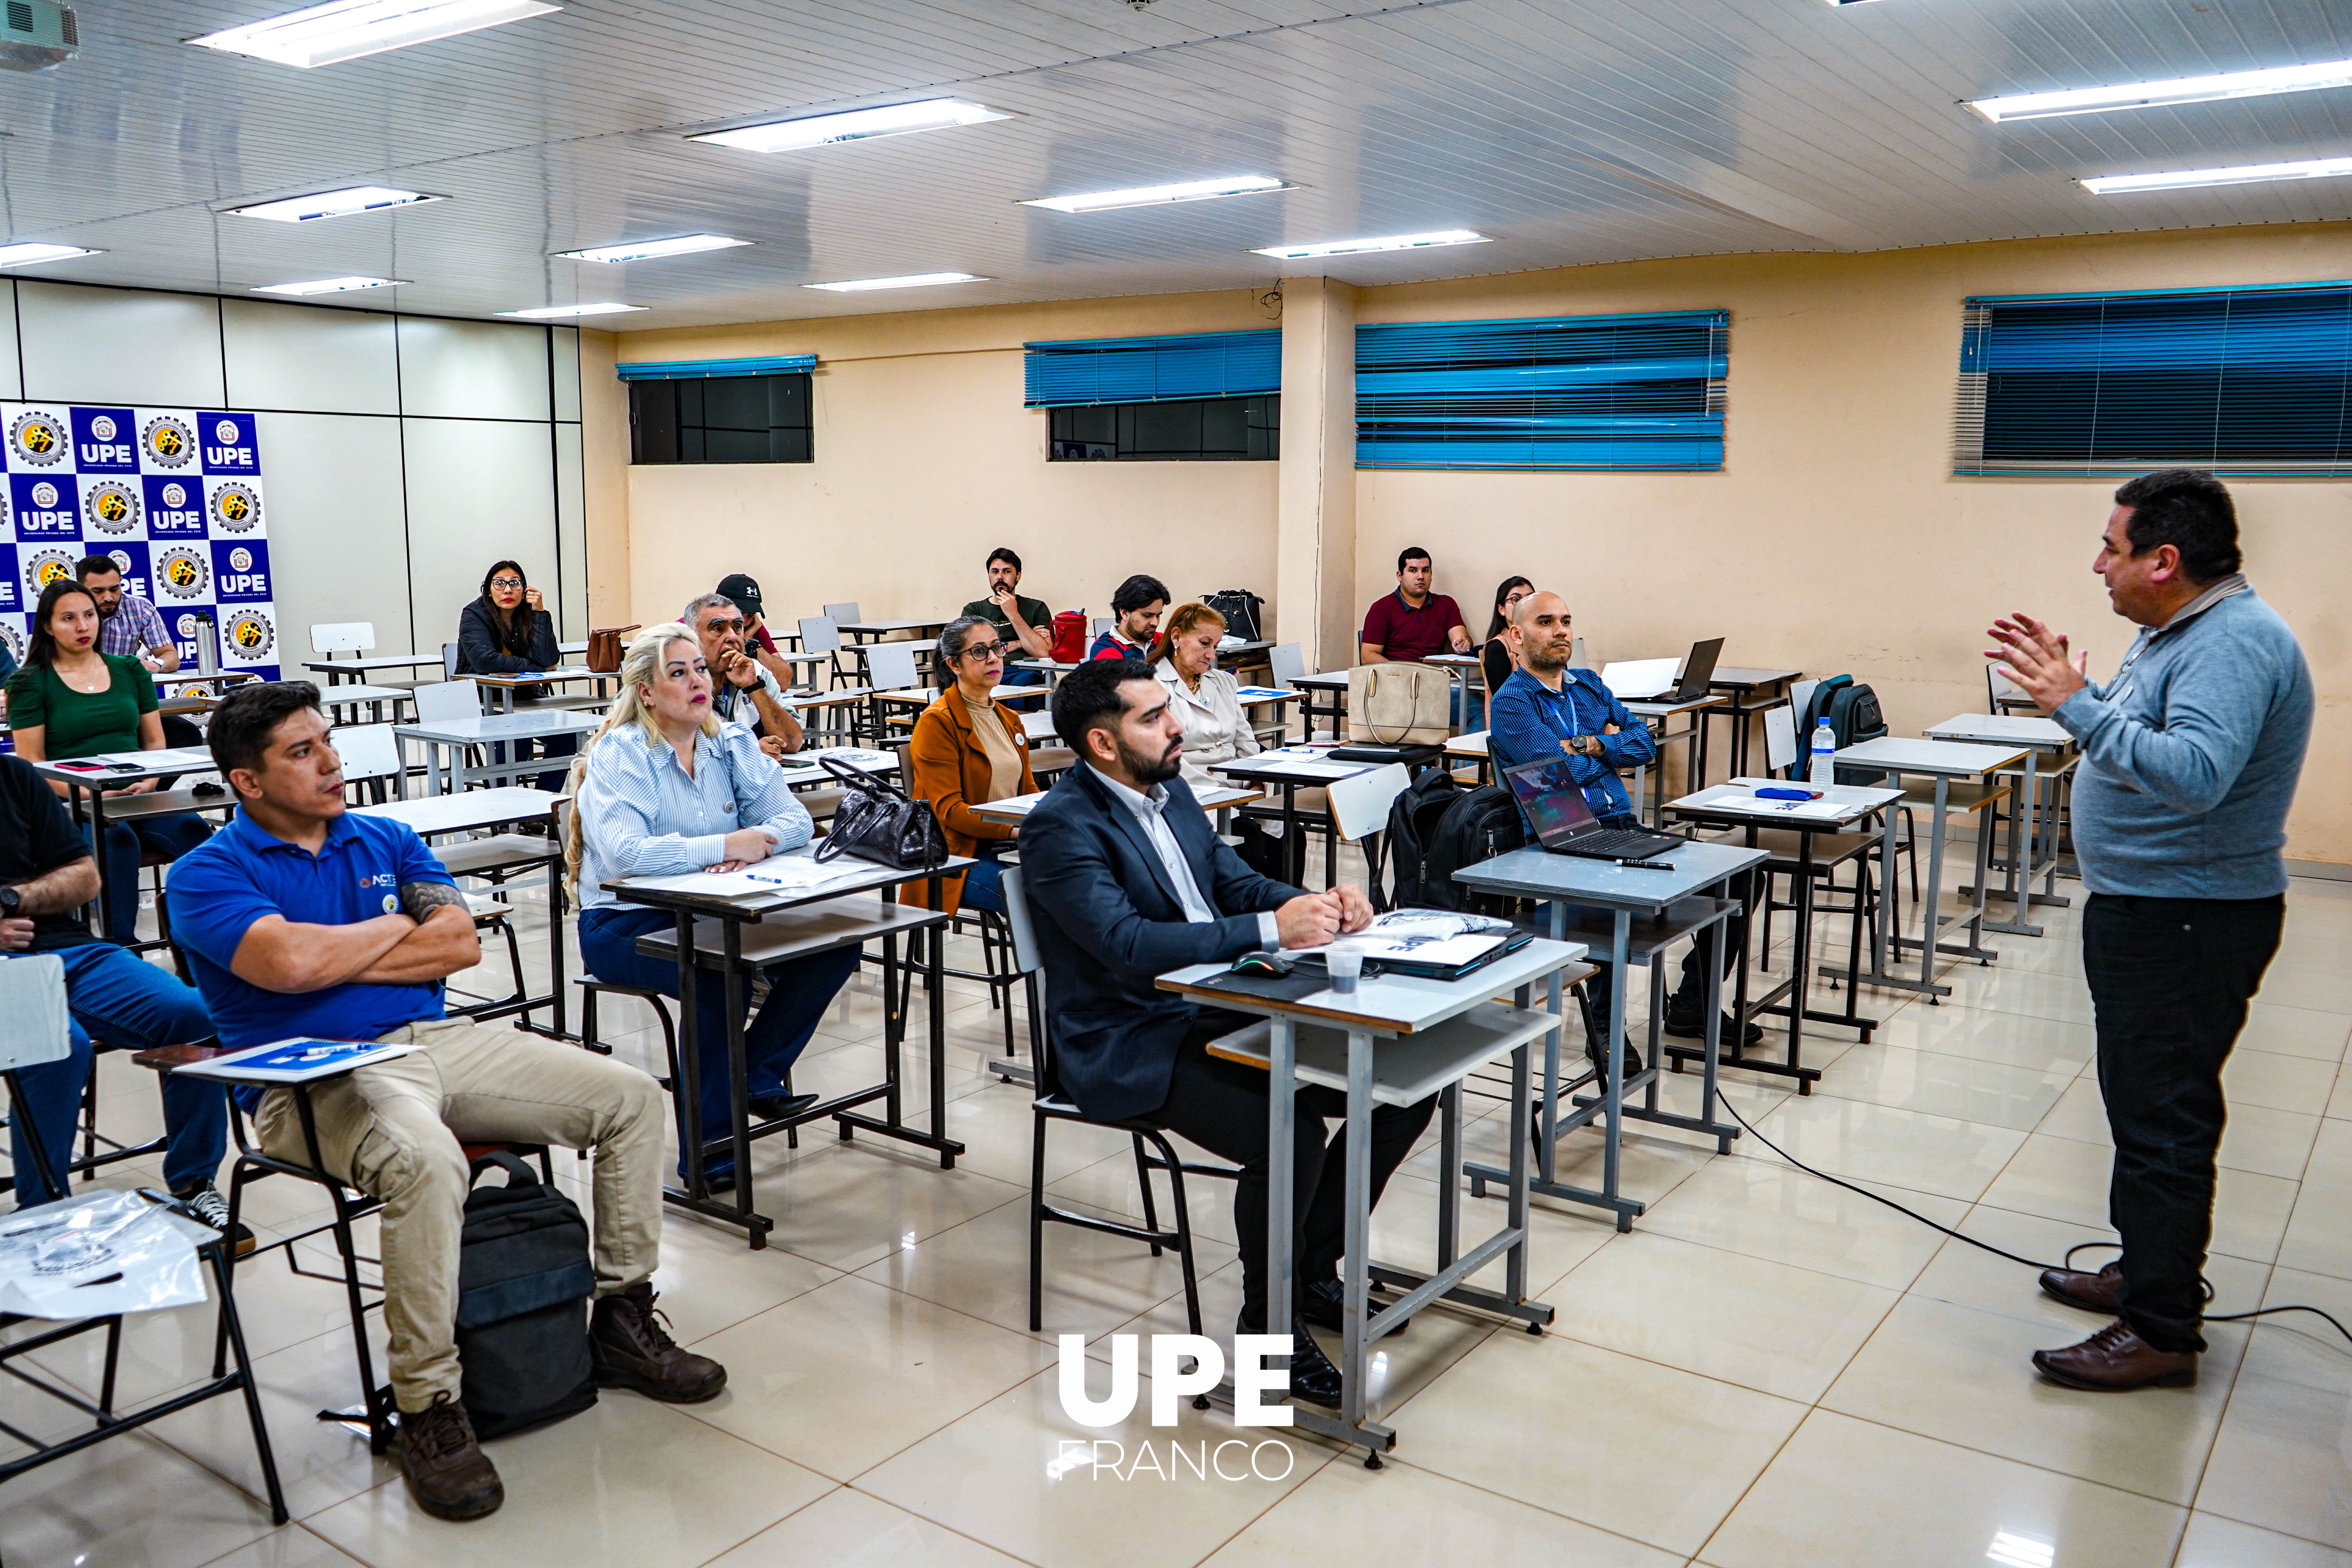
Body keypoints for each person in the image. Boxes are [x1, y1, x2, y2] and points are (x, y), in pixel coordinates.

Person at [169, 681, 724, 1522]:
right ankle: (428, 1403)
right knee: (425, 1161)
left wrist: (333, 954)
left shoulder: (386, 837)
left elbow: (459, 942)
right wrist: (397, 931)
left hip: (434, 1042)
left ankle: (623, 1319)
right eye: (302, 752)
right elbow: (285, 967)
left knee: (631, 1097)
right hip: (308, 1075)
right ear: (246, 781)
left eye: (328, 741)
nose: (331, 762)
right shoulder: (205, 872)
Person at [1020, 660, 1435, 1407]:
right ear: (1103, 743)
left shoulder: (1170, 787)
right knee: (1290, 1129)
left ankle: (1310, 1272)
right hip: (1128, 1034)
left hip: (1213, 1000)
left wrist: (1314, 905)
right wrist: (1269, 929)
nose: (1177, 725)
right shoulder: (1061, 827)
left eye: (1169, 709)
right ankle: (1268, 1330)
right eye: (1153, 717)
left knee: (1402, 1081)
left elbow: (1231, 881)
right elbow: (1127, 944)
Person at [1988, 470, 2312, 1394]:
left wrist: (2076, 704)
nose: (2099, 565)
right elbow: (2146, 737)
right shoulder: (2180, 633)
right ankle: (2144, 1270)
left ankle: (2162, 1327)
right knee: (2144, 1107)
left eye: (2111, 547)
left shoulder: (2232, 642)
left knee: (2163, 1119)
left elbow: (2196, 774)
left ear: (2163, 560)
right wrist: (2082, 692)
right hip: (2158, 906)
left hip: (2187, 918)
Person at [570, 624, 855, 1191]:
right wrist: (724, 846)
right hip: (622, 920)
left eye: (700, 668)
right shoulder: (623, 753)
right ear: (647, 692)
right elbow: (626, 856)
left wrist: (753, 845)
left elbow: (795, 820)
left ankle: (753, 1073)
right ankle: (712, 1155)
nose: (697, 681)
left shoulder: (730, 742)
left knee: (833, 945)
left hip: (714, 908)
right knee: (715, 977)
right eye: (678, 673)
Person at [1488, 591, 1760, 1074]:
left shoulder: (1590, 685)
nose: (1560, 631)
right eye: (1545, 622)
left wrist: (1589, 745)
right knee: (1611, 897)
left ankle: (1693, 1004)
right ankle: (1606, 1028)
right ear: (1516, 635)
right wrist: (1608, 749)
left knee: (1741, 876)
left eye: (1566, 621)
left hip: (1619, 826)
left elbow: (1644, 745)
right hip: (1563, 840)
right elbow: (1557, 776)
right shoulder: (1513, 702)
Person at [0, 749, 242, 1244]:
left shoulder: (12, 776)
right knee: (58, 1046)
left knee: (194, 1015)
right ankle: (41, 1214)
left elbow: (84, 876)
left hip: (66, 948)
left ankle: (194, 1181)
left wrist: (14, 898)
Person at [5, 580, 214, 942]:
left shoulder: (130, 669)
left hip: (138, 795)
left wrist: (149, 782)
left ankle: (208, 940)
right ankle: (123, 947)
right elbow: (32, 765)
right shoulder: (29, 682)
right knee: (116, 842)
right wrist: (91, 795)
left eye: (89, 616)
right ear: (47, 627)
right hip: (72, 801)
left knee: (194, 831)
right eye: (69, 618)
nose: (83, 626)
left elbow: (155, 741)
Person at [907, 615, 1036, 915]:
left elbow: (1028, 791)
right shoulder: (938, 722)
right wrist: (1014, 832)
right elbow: (950, 811)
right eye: (979, 652)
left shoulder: (1010, 719)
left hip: (1007, 846)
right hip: (957, 856)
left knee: (1082, 883)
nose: (993, 658)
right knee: (1040, 901)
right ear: (954, 665)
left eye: (997, 648)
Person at [454, 559, 572, 793]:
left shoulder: (528, 613)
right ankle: (505, 802)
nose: (508, 590)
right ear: (488, 589)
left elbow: (549, 658)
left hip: (524, 697)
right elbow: (485, 661)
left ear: (524, 590)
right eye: (500, 584)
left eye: (515, 584)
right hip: (483, 698)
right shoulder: (474, 614)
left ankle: (542, 800)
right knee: (516, 734)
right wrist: (535, 667)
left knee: (567, 737)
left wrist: (540, 613)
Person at [1152, 602, 1261, 791]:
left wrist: (1256, 782)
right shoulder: (1152, 686)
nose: (1212, 655)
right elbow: (1162, 756)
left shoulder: (1224, 682)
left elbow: (1245, 741)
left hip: (1239, 785)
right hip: (1192, 789)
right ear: (1177, 637)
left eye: (1216, 646)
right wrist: (1220, 792)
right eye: (1204, 644)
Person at [683, 591, 805, 759]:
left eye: (737, 627)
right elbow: (678, 749)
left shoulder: (757, 673)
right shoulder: (680, 681)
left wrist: (753, 686)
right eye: (718, 629)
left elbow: (792, 743)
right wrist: (750, 749)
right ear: (692, 638)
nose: (733, 637)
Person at [1360, 546, 1471, 665]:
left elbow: (1461, 639)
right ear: (1400, 576)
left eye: (1425, 571)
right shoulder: (1381, 608)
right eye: (1413, 571)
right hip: (1396, 673)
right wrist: (1400, 672)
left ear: (1431, 575)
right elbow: (1368, 656)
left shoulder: (1446, 604)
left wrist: (1463, 645)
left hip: (1434, 673)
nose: (1421, 576)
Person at [960, 547, 1054, 685]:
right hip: (986, 671)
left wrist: (1013, 614)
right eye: (995, 572)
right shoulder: (974, 610)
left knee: (1027, 682)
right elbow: (974, 652)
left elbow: (1044, 652)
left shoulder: (1037, 608)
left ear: (1018, 576)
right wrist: (1021, 643)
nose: (1000, 577)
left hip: (1025, 672)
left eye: (1007, 572)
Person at [78, 553, 180, 673]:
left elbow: (171, 656)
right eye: (98, 591)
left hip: (121, 682)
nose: (108, 598)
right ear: (81, 587)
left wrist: (157, 665)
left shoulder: (141, 608)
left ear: (121, 582)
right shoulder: (66, 610)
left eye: (114, 589)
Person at [1089, 575, 1168, 662]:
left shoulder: (1162, 641)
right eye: (1147, 616)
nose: (1155, 623)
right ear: (1124, 613)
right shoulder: (1105, 648)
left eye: (1158, 616)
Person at [1480, 575, 1535, 698]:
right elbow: (1504, 699)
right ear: (1502, 609)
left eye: (1530, 598)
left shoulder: (1541, 641)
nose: (1524, 604)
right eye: (1516, 599)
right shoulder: (1497, 648)